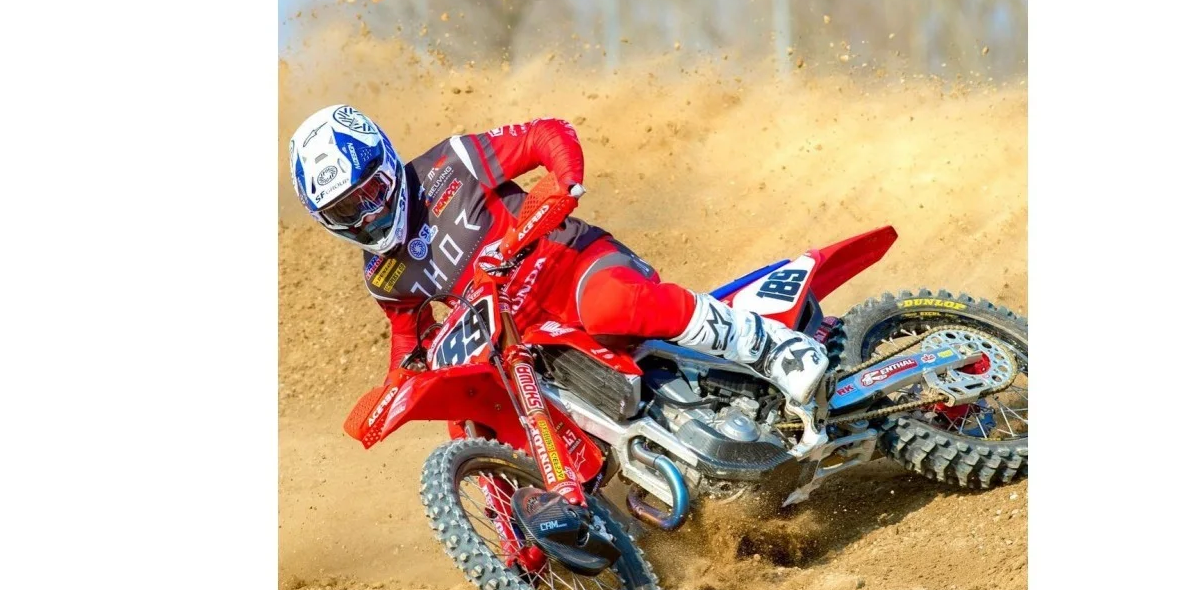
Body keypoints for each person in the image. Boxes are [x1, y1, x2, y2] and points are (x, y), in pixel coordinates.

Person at [287, 104, 829, 406]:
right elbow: (409, 344)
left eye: (371, 193)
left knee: (610, 308)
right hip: (524, 344)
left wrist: (565, 182)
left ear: (386, 161)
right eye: (345, 211)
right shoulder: (383, 276)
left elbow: (546, 133)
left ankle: (770, 347)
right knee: (473, 402)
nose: (367, 216)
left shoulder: (452, 162)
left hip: (573, 266)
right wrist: (395, 393)